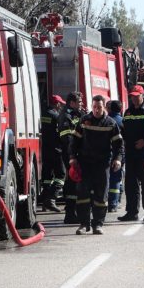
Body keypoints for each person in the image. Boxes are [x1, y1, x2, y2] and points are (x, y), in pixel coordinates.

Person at [69, 95, 123, 234]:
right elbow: (74, 141)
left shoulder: (110, 123)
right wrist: (72, 158)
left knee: (101, 195)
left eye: (99, 107)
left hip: (102, 164)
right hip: (85, 163)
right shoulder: (84, 120)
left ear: (104, 107)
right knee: (82, 195)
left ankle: (98, 224)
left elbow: (119, 145)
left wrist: (117, 159)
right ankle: (83, 224)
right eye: (94, 107)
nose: (96, 110)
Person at [118, 85, 144, 222]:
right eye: (132, 96)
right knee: (131, 185)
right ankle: (132, 212)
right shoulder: (128, 112)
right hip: (130, 154)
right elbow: (124, 131)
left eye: (137, 96)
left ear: (143, 96)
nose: (134, 99)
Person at [57, 92, 84, 224]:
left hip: (77, 155)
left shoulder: (77, 114)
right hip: (70, 156)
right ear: (72, 103)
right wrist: (73, 156)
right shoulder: (65, 116)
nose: (81, 104)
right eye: (79, 102)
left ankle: (76, 212)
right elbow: (67, 139)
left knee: (77, 184)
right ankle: (70, 214)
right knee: (72, 185)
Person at [39, 95, 66, 212]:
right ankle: (51, 199)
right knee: (61, 174)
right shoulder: (56, 116)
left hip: (45, 149)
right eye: (60, 104)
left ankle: (45, 201)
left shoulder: (42, 114)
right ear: (57, 104)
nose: (60, 106)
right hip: (56, 149)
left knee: (47, 177)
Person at [106, 99, 125, 212]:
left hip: (106, 153)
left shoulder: (106, 121)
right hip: (118, 154)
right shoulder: (122, 121)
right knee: (116, 179)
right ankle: (114, 204)